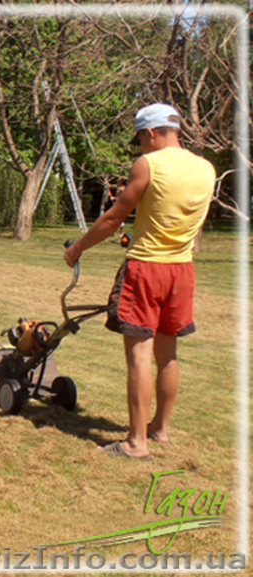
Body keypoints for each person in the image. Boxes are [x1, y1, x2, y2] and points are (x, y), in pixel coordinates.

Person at [64, 103, 215, 460]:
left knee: (139, 357)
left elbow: (114, 218)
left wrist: (77, 248)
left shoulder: (148, 164)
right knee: (168, 355)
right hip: (182, 270)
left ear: (150, 132)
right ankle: (159, 429)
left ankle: (135, 443)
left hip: (146, 269)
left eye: (140, 139)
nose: (141, 146)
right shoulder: (205, 168)